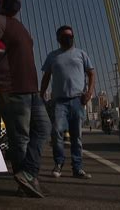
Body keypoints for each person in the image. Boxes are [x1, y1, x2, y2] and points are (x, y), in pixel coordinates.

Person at [0, 0, 51, 198]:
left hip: (30, 90)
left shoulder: (19, 26)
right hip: (12, 89)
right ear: (1, 1)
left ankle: (28, 174)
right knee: (20, 138)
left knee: (44, 128)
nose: (15, 2)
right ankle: (26, 183)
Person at [40, 25, 95, 179]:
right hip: (59, 102)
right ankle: (58, 163)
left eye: (70, 35)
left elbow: (91, 73)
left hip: (77, 100)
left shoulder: (81, 54)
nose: (68, 38)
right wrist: (41, 94)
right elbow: (46, 77)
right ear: (58, 39)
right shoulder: (52, 56)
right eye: (65, 36)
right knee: (56, 132)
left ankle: (77, 168)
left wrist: (89, 92)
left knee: (77, 136)